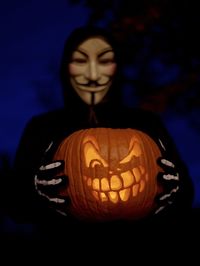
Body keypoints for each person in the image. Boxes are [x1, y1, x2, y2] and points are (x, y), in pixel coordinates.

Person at [3, 26, 194, 247]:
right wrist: (32, 189)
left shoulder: (146, 124)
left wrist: (176, 190)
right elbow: (15, 207)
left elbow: (185, 197)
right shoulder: (43, 128)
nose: (93, 74)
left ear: (118, 68)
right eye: (81, 61)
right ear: (66, 67)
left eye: (104, 61)